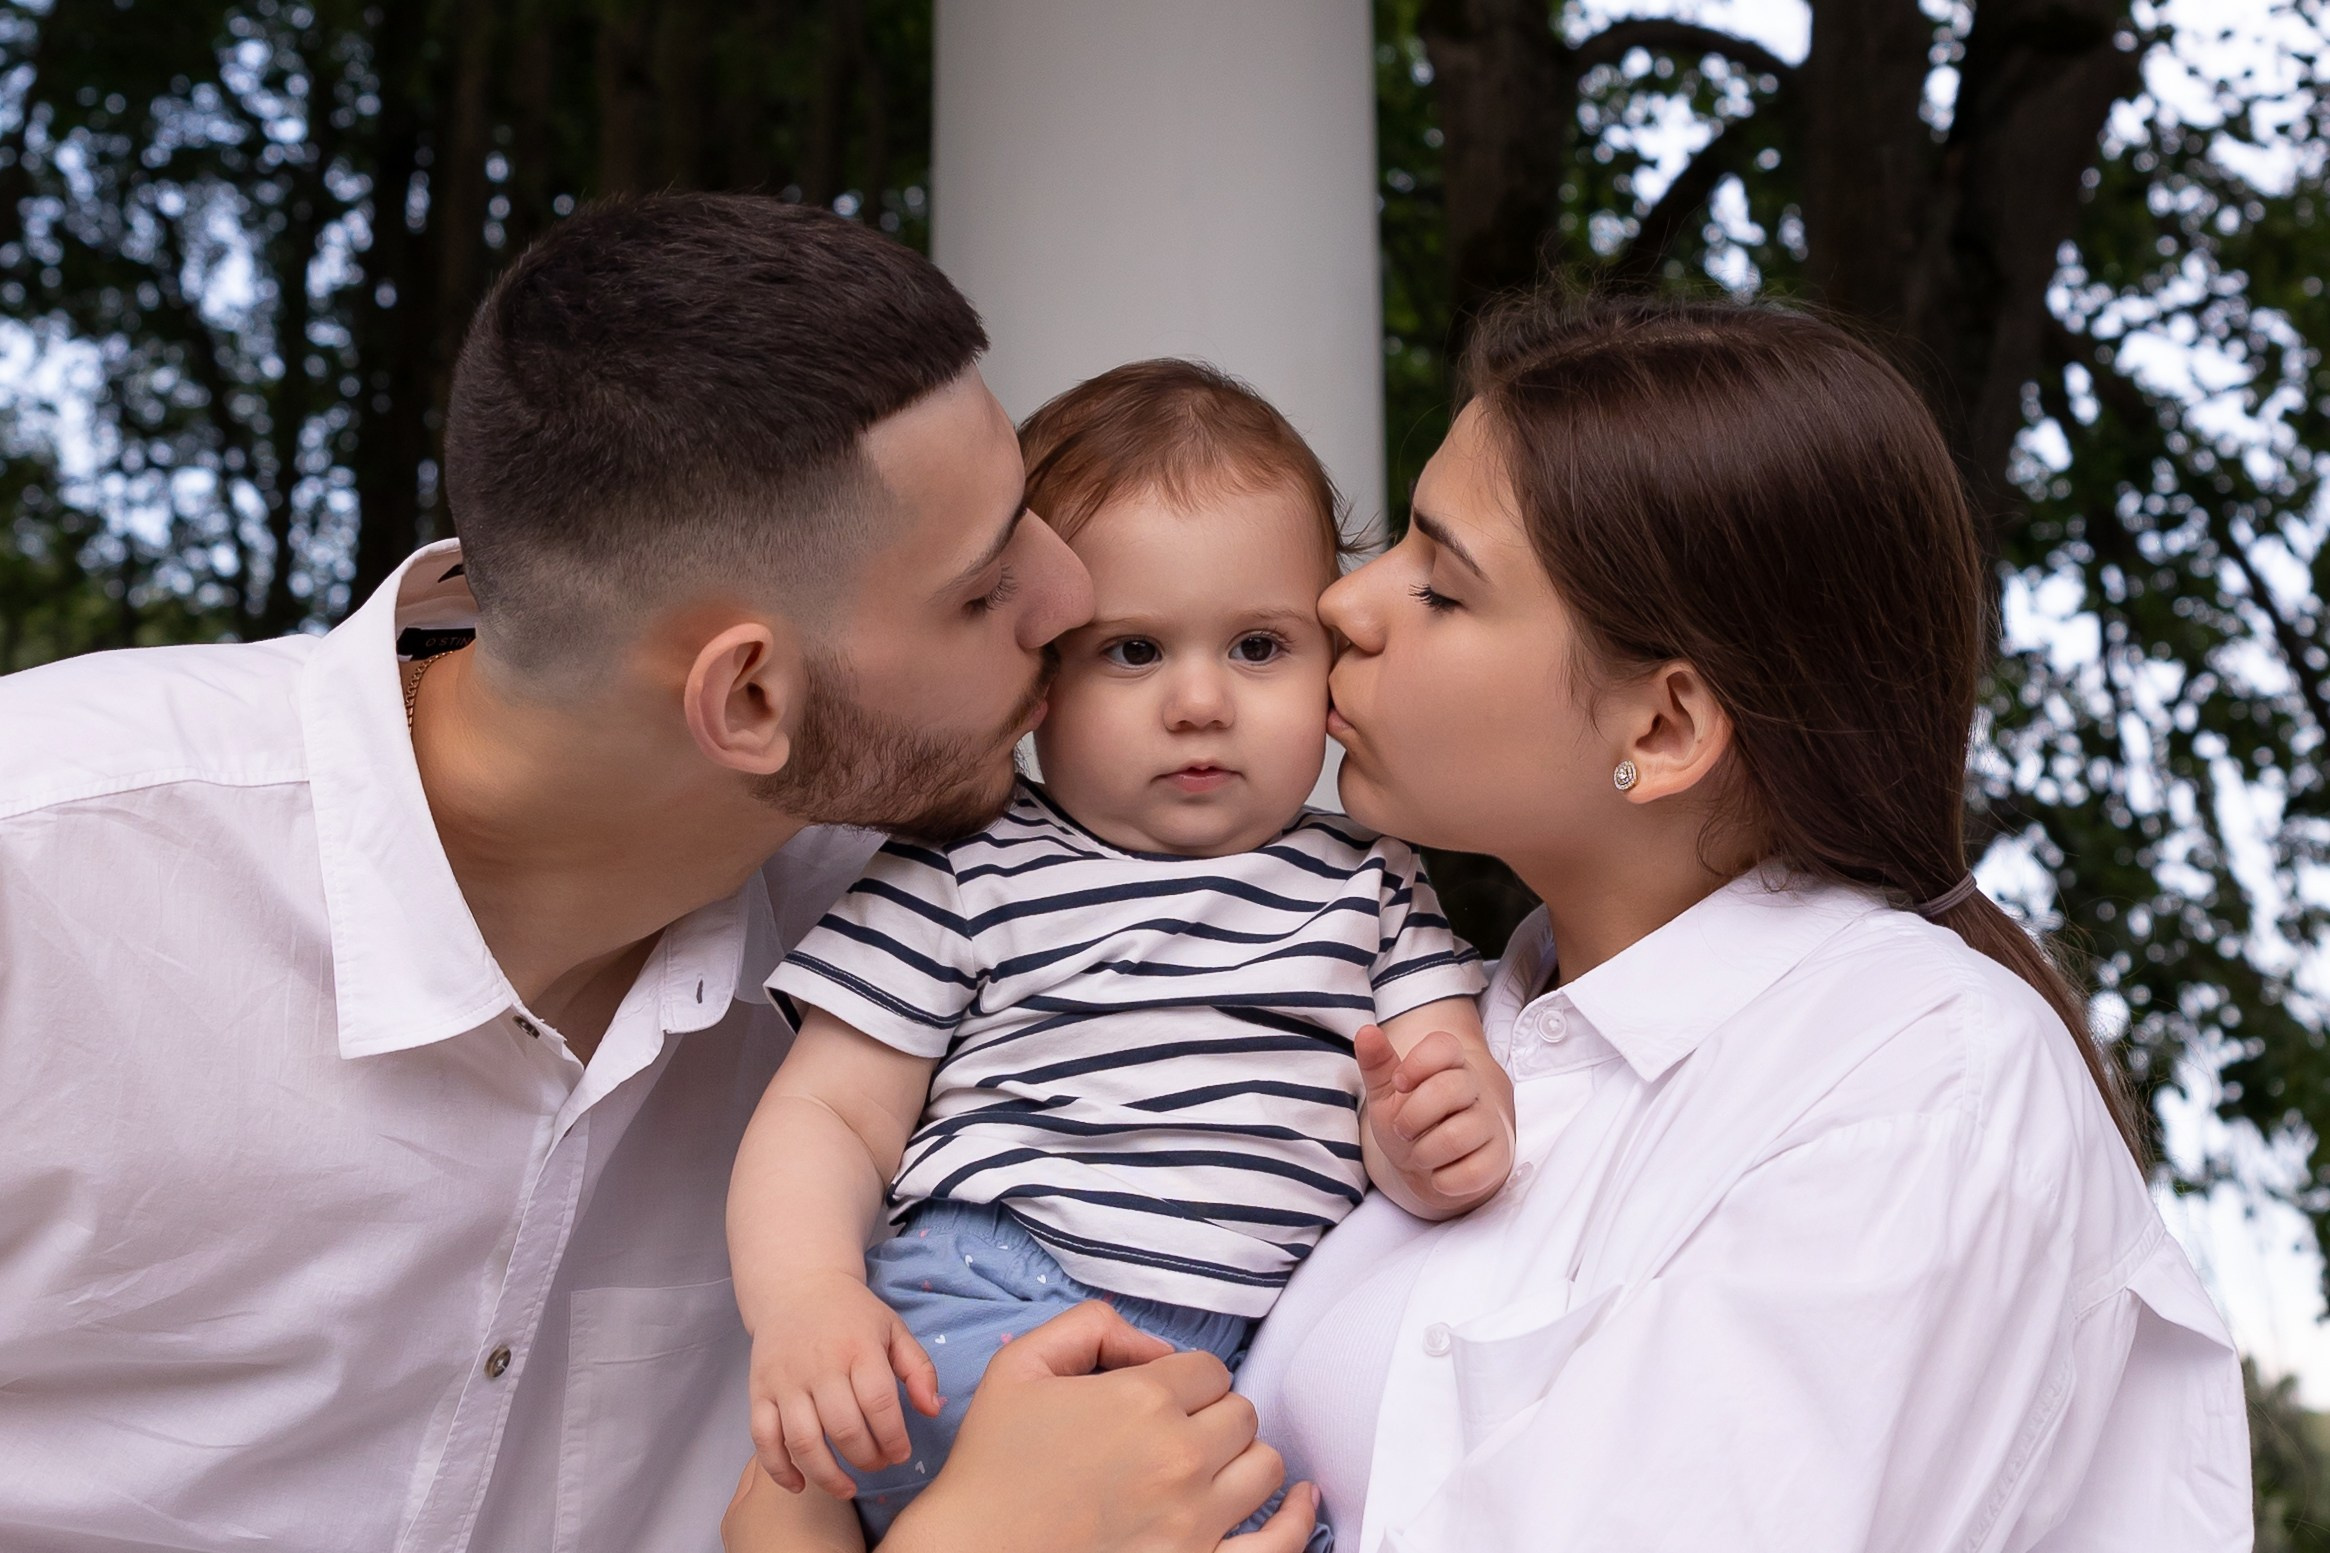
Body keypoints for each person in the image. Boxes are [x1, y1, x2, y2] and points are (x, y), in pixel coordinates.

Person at [726, 295, 2251, 1551]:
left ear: (1660, 728)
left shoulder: (1904, 1087)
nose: (1344, 607)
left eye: (1439, 587)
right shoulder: (1479, 1024)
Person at [0, 196, 1295, 1553]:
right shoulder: (48, 876)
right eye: (980, 590)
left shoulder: (956, 922)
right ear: (747, 698)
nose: (1072, 595)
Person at [725, 362, 1506, 1546]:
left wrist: (1430, 1140)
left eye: (1257, 645)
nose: (1199, 701)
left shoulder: (1374, 880)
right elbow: (830, 1111)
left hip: (1229, 1364)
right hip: (982, 1297)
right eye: (1132, 651)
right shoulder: (968, 865)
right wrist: (807, 1296)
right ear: (1040, 673)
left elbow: (1442, 1071)